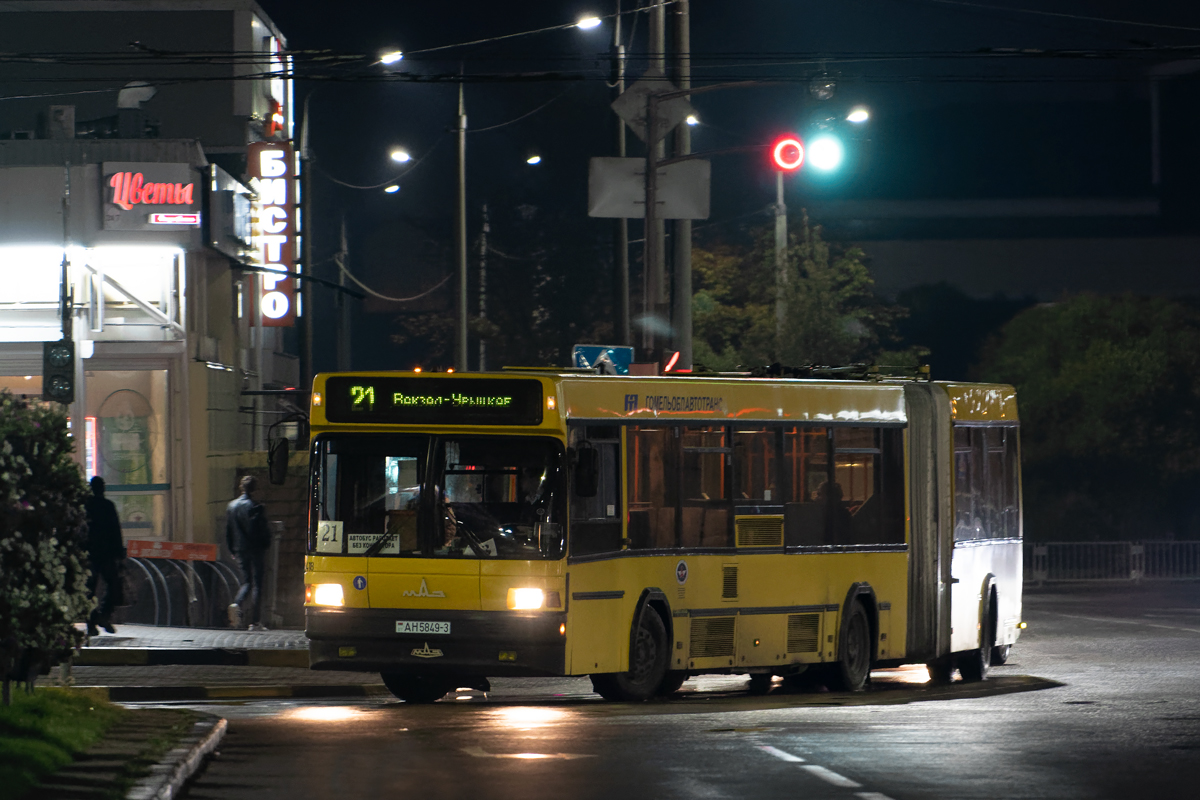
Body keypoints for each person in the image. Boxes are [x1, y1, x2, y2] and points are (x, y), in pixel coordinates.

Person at [225, 475, 271, 631]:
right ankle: (255, 622)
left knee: (246, 582)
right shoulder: (256, 507)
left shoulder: (231, 506)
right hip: (256, 549)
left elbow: (228, 531)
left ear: (241, 487)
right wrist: (266, 544)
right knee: (257, 584)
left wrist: (232, 549)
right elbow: (262, 531)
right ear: (254, 489)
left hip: (239, 549)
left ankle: (236, 604)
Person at [84, 477, 126, 636]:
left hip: (92, 554)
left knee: (91, 590)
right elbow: (115, 530)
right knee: (113, 587)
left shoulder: (86, 506)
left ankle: (94, 621)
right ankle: (102, 617)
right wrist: (119, 553)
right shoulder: (107, 506)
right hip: (105, 554)